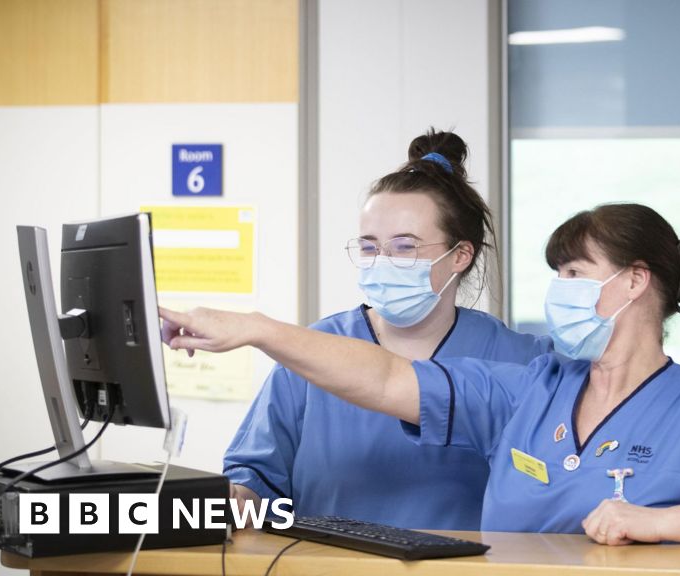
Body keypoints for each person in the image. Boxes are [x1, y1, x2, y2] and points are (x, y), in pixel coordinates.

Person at [161, 203, 680, 546]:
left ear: (636, 282)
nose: (559, 290)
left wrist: (659, 522)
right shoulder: (530, 387)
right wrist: (257, 328)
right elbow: (386, 379)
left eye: (575, 274)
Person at [218, 129, 552, 530]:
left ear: (460, 255)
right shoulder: (312, 353)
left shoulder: (519, 359)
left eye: (404, 247)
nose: (381, 262)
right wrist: (234, 502)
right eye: (370, 246)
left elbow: (555, 490)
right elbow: (256, 483)